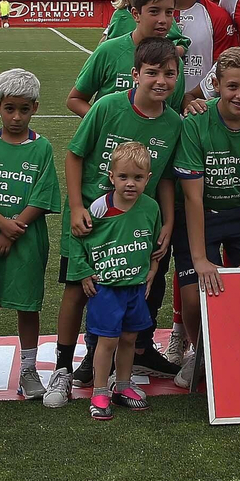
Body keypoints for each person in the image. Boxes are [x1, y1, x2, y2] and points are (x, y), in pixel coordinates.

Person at [46, 39, 183, 408]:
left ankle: (110, 368)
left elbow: (167, 177)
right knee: (78, 289)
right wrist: (77, 207)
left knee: (131, 291)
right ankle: (63, 368)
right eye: (152, 72)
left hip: (136, 226)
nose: (161, 81)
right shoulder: (107, 106)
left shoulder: (173, 123)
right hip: (92, 221)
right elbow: (75, 155)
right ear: (135, 74)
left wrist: (168, 220)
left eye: (169, 73)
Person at [171, 48, 240, 389]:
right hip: (201, 216)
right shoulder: (196, 123)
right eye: (232, 86)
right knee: (193, 296)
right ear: (217, 85)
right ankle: (200, 353)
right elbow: (191, 196)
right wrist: (201, 259)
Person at [0, 69, 61, 402]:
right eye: (10, 109)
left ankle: (28, 369)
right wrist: (1, 224)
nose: (17, 116)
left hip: (27, 240)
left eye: (24, 109)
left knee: (27, 306)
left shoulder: (42, 148)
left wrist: (12, 229)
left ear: (35, 107)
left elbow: (44, 194)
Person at [65, 140, 161, 419]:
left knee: (130, 338)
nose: (130, 184)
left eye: (138, 178)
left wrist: (152, 269)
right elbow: (77, 239)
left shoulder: (151, 208)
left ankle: (122, 386)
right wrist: (83, 271)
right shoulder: (98, 208)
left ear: (148, 179)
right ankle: (99, 392)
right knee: (106, 341)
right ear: (111, 177)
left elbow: (152, 244)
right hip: (107, 288)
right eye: (123, 177)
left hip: (135, 287)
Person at [69, 0, 186, 112]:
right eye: (154, 11)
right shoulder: (108, 51)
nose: (163, 20)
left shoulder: (175, 61)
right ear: (136, 14)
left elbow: (173, 112)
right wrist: (105, 124)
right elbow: (75, 100)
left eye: (169, 12)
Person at [162, 0, 237, 110]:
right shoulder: (144, 13)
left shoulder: (218, 17)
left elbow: (225, 71)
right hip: (150, 114)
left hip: (197, 117)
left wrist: (196, 99)